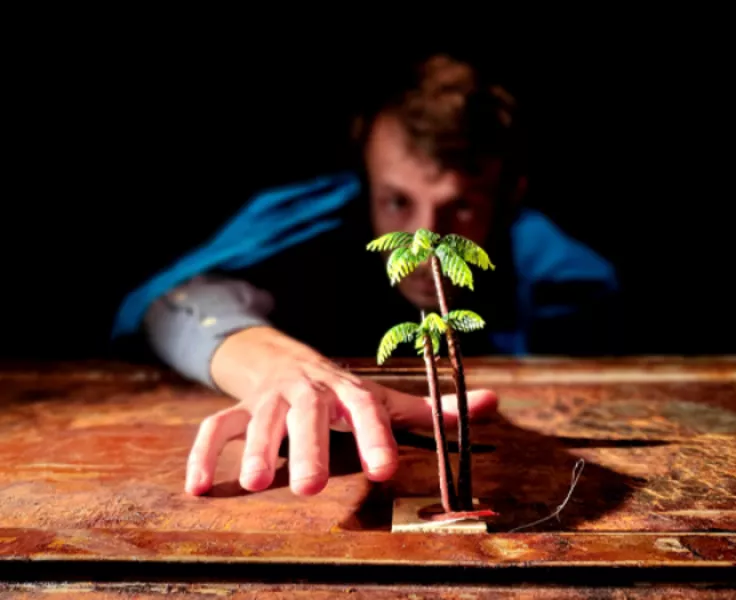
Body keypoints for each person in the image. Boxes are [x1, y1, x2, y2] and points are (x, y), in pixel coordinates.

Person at [111, 53, 619, 498]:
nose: (425, 242)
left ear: (508, 197)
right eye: (397, 201)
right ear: (365, 180)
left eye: (461, 206)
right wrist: (276, 366)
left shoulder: (565, 280)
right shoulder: (310, 226)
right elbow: (178, 301)